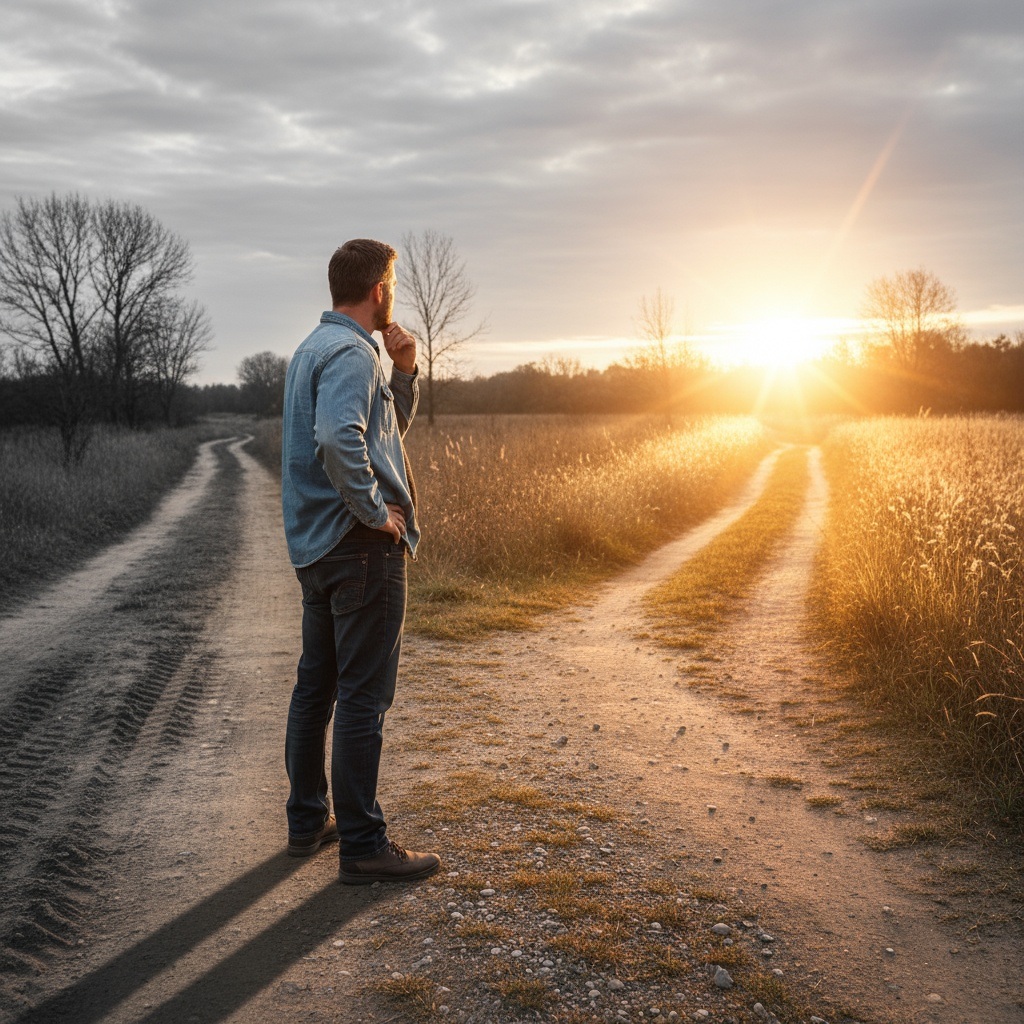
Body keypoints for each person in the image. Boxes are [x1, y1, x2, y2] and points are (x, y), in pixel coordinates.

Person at [280, 238, 440, 884]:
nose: (392, 295)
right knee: (363, 696)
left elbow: (378, 436)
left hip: (317, 548)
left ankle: (306, 820)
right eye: (392, 285)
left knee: (316, 687)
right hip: (357, 549)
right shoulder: (350, 353)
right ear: (379, 290)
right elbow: (336, 437)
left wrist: (404, 372)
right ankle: (364, 845)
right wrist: (376, 513)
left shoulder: (311, 349)